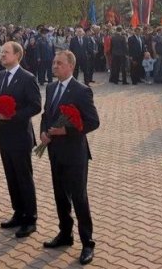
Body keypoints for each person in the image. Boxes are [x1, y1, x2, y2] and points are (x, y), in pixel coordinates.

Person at [40, 50, 100, 265]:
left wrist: (66, 131)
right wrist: (43, 132)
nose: (54, 66)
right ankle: (65, 234)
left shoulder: (82, 91)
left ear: (70, 66)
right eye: (53, 62)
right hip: (55, 151)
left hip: (75, 153)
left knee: (79, 198)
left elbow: (93, 122)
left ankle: (87, 243)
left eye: (59, 63)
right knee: (60, 196)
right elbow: (46, 114)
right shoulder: (50, 87)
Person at [0, 41, 41, 238]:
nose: (2, 55)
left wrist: (14, 115)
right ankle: (18, 213)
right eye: (1, 52)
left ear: (17, 55)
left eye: (6, 52)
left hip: (20, 135)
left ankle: (30, 219)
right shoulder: (0, 76)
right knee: (11, 176)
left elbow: (36, 106)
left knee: (23, 177)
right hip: (4, 135)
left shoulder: (27, 78)